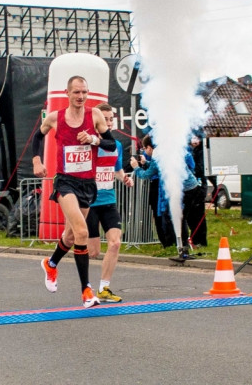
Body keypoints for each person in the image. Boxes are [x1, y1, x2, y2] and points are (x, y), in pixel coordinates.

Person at [31, 75, 117, 308]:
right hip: (65, 182)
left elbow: (111, 144)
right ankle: (86, 291)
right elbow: (38, 136)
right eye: (76, 92)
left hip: (87, 184)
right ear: (67, 93)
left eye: (84, 92)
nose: (81, 96)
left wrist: (94, 140)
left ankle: (51, 264)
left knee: (70, 237)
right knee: (81, 232)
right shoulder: (55, 118)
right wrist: (37, 160)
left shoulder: (95, 115)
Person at [85, 103, 134, 302]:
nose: (108, 122)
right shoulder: (89, 143)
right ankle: (65, 243)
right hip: (89, 202)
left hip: (108, 200)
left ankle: (104, 288)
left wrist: (124, 178)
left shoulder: (116, 146)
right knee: (93, 252)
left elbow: (116, 169)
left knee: (115, 243)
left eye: (111, 119)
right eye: (104, 119)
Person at [129, 135, 205, 258]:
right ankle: (181, 247)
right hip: (192, 187)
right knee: (177, 217)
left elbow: (146, 175)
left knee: (176, 218)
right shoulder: (164, 152)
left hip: (185, 190)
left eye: (144, 148)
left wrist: (136, 167)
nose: (144, 151)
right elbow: (159, 168)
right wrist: (146, 162)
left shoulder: (157, 155)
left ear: (149, 147)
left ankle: (182, 248)